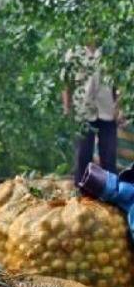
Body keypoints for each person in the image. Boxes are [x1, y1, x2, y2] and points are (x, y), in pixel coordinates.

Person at [62, 40, 119, 186]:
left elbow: (119, 82)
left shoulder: (109, 52)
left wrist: (118, 107)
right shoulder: (73, 53)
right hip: (83, 111)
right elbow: (66, 83)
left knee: (109, 156)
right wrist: (67, 108)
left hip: (107, 110)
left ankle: (111, 195)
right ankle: (81, 194)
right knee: (83, 155)